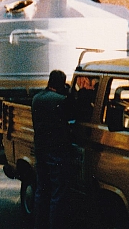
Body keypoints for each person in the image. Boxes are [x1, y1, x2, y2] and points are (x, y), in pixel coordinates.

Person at [31, 69, 75, 229]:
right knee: (58, 192)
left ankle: (39, 224)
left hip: (40, 149)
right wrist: (70, 92)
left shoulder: (36, 99)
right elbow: (71, 112)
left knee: (41, 190)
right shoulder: (60, 100)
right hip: (57, 151)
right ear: (61, 84)